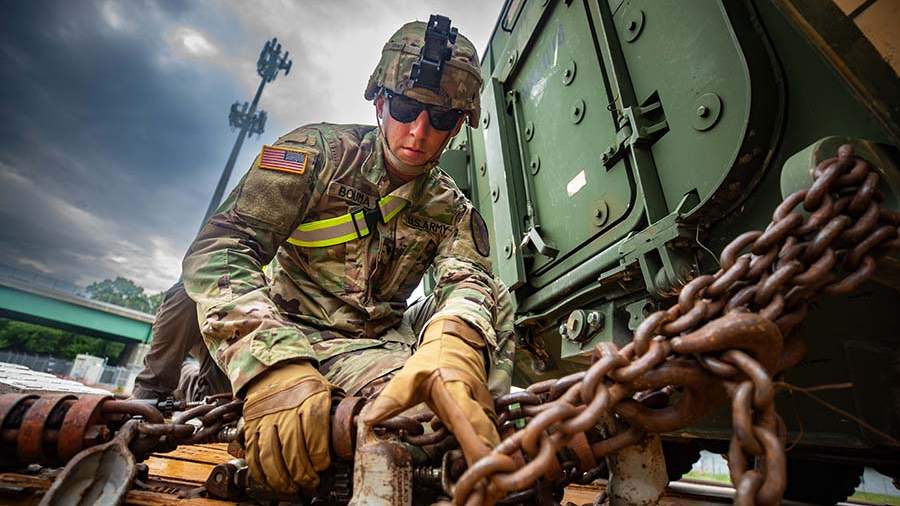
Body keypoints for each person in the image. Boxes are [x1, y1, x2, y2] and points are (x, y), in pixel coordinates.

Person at [135, 15, 516, 495]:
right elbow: (222, 247)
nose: (418, 132)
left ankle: (471, 418)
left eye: (440, 119)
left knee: (491, 302)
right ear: (380, 103)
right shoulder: (317, 155)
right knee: (188, 291)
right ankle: (154, 401)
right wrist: (273, 364)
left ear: (458, 127)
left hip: (368, 344)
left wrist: (454, 342)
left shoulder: (451, 209)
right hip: (283, 323)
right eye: (405, 108)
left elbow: (468, 280)